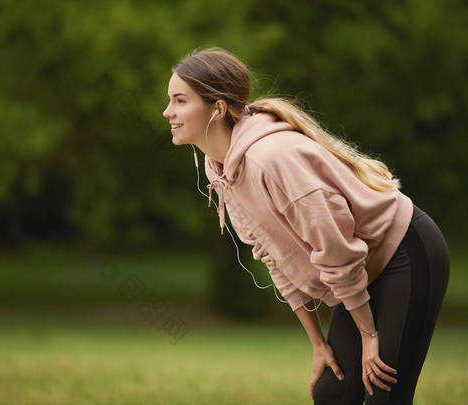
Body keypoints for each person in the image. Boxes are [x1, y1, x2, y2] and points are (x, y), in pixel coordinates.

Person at [162, 47, 450, 405]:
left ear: (217, 108)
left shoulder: (272, 159)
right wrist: (318, 343)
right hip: (359, 269)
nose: (168, 112)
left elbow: (335, 248)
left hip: (404, 251)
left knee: (384, 392)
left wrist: (369, 334)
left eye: (179, 100)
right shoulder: (219, 168)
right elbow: (271, 253)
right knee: (333, 393)